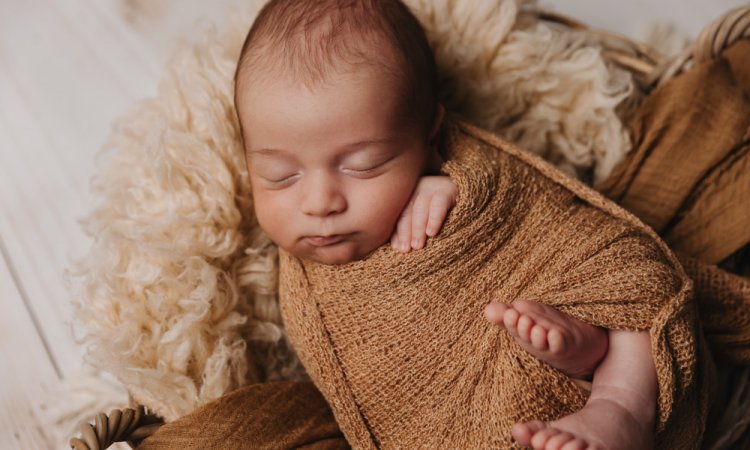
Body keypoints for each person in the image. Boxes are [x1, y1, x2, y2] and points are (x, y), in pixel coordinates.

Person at [233, 1, 661, 448]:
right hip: (467, 422)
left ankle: (620, 405)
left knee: (636, 280)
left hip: (554, 323)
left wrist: (459, 183)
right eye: (280, 176)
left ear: (429, 137)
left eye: (364, 165)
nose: (319, 202)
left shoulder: (465, 179)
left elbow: (557, 226)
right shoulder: (295, 277)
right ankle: (579, 358)